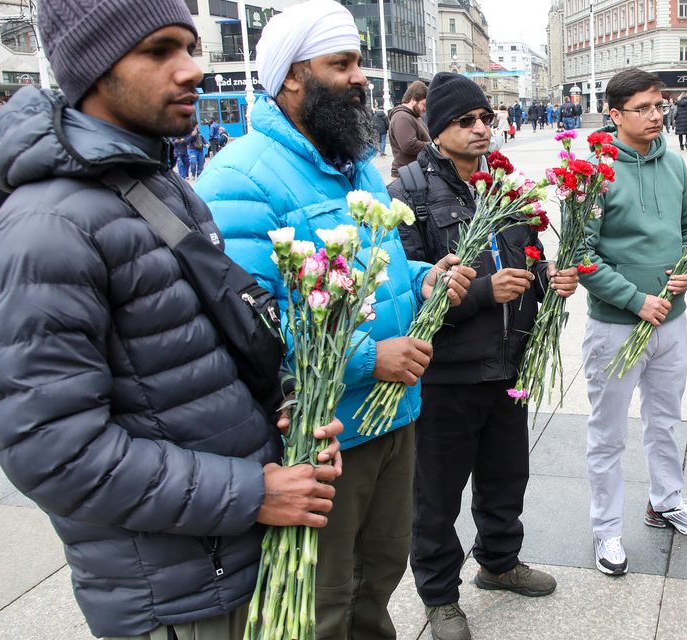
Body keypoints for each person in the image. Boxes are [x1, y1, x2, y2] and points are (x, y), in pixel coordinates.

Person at [0, 0, 348, 637]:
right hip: (178, 595)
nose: (191, 69)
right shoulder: (45, 231)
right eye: (159, 50)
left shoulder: (152, 185)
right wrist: (254, 492)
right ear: (93, 67)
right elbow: (54, 454)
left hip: (235, 563)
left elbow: (201, 356)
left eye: (191, 48)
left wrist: (284, 406)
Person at [195, 2, 476, 636]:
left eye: (358, 64)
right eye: (340, 64)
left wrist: (425, 282)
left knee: (378, 577)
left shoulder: (355, 165)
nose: (359, 79)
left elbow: (378, 271)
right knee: (325, 598)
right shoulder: (239, 177)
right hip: (324, 433)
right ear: (292, 76)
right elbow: (243, 320)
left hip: (394, 416)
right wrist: (366, 358)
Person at [389, 73, 579, 640]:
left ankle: (498, 562)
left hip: (508, 363)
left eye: (485, 119)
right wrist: (480, 292)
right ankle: (439, 596)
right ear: (437, 129)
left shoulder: (506, 187)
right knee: (437, 493)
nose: (480, 129)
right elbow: (406, 288)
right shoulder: (410, 191)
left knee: (505, 476)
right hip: (446, 372)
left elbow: (527, 258)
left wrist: (550, 277)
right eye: (465, 121)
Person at [580, 68, 687, 577]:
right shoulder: (595, 172)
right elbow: (582, 254)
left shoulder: (675, 164)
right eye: (643, 108)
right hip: (617, 326)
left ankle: (667, 501)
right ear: (615, 115)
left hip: (672, 322)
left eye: (659, 106)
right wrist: (636, 301)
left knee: (665, 420)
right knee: (608, 432)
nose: (656, 115)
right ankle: (607, 530)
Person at [390, 80, 429, 177]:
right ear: (414, 100)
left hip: (413, 173)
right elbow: (409, 145)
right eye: (423, 105)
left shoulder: (413, 116)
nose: (425, 109)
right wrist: (433, 146)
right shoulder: (402, 117)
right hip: (406, 175)